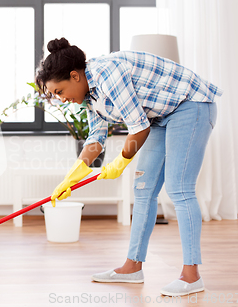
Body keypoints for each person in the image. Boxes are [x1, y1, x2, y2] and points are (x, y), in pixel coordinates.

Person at [35, 37, 222, 297]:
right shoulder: (89, 95)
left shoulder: (108, 74)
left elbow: (138, 128)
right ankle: (132, 267)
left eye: (59, 91)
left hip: (190, 105)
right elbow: (96, 138)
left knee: (180, 188)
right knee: (144, 189)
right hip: (159, 117)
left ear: (75, 76)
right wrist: (72, 176)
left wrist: (120, 161)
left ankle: (191, 276)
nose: (61, 99)